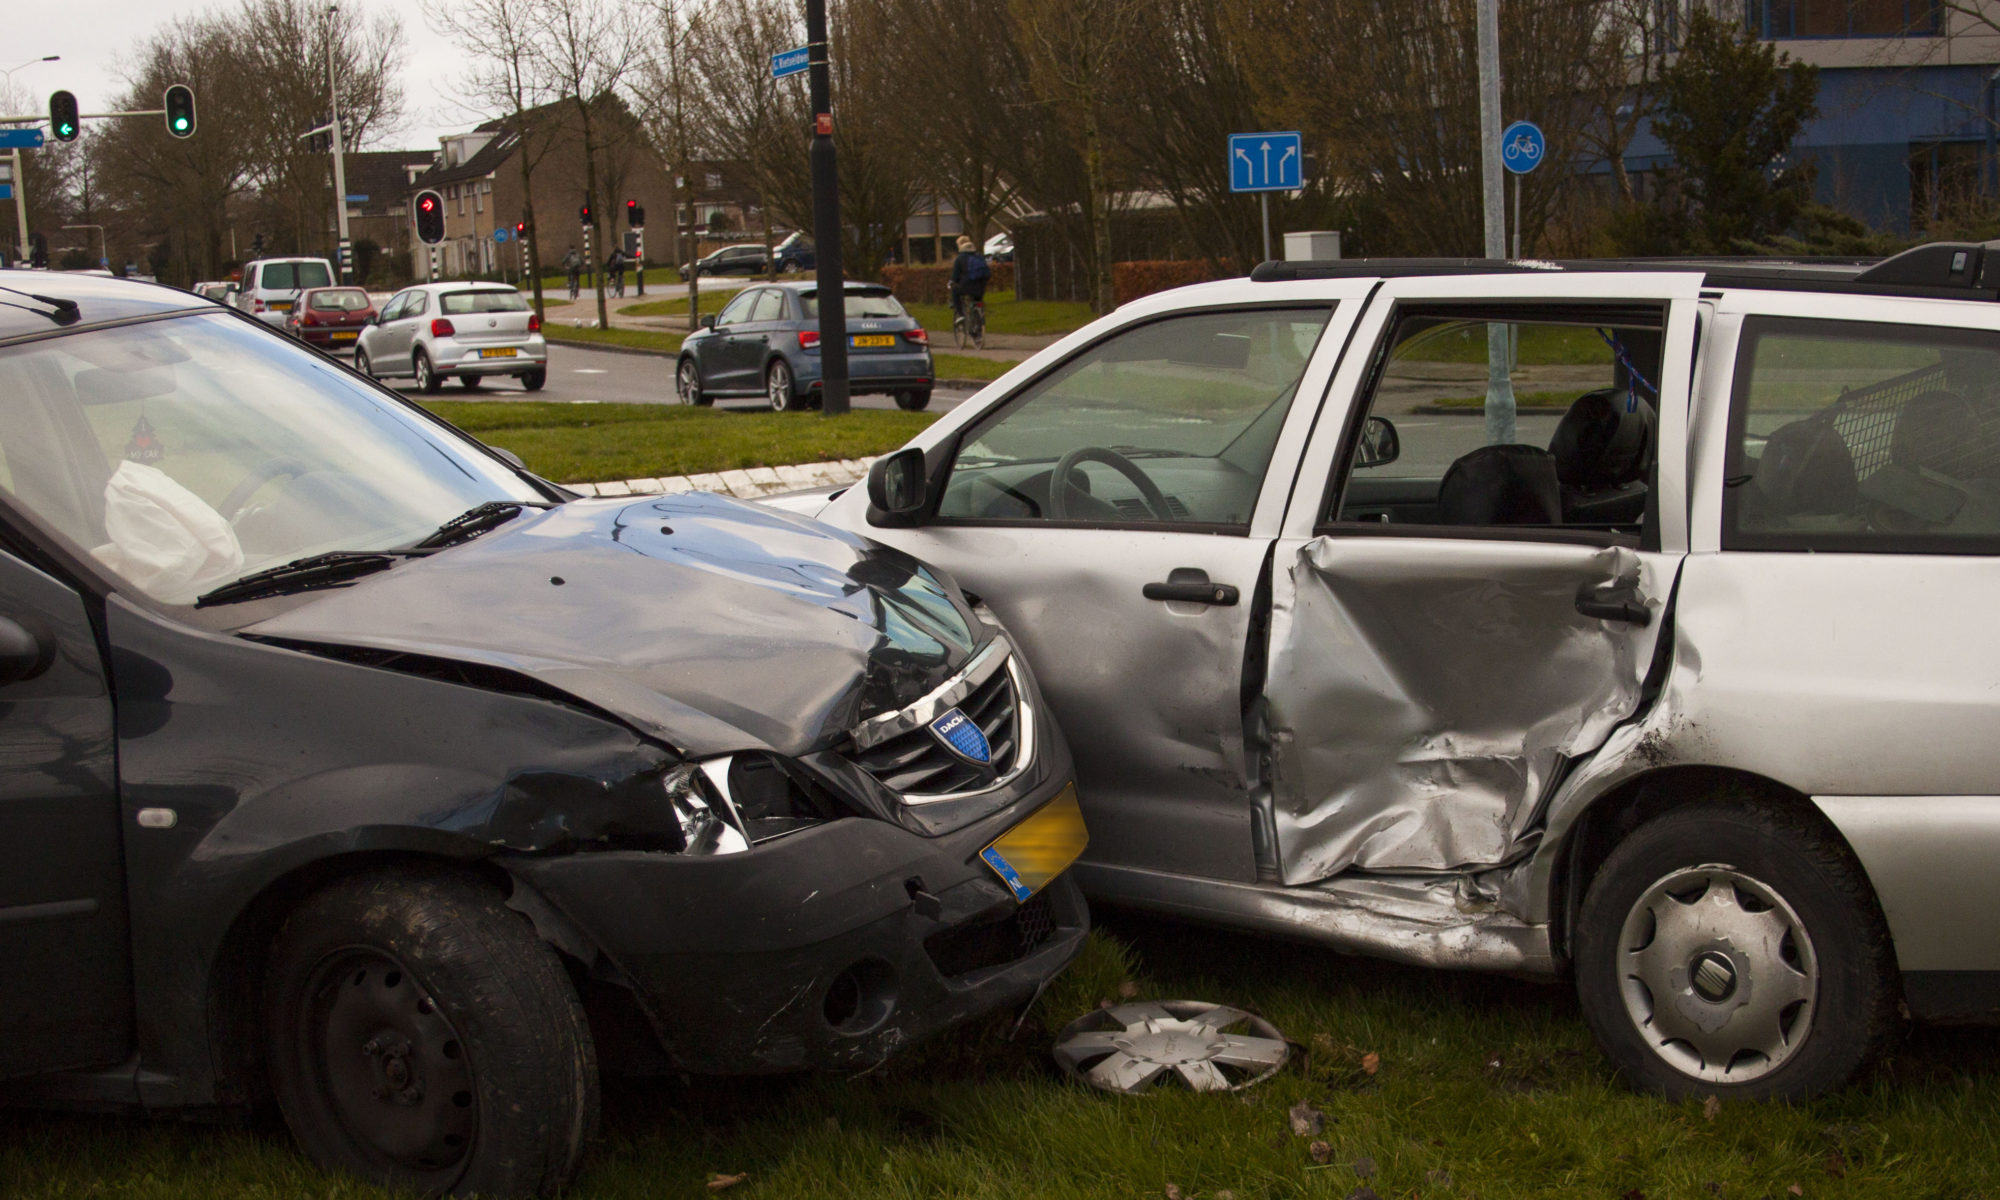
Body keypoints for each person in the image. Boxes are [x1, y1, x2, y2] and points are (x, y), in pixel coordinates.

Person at [948, 234, 991, 335]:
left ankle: (961, 314)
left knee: (955, 291)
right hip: (980, 288)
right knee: (977, 302)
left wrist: (951, 283)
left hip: (966, 287)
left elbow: (955, 276)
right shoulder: (979, 256)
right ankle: (979, 325)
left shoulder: (960, 259)